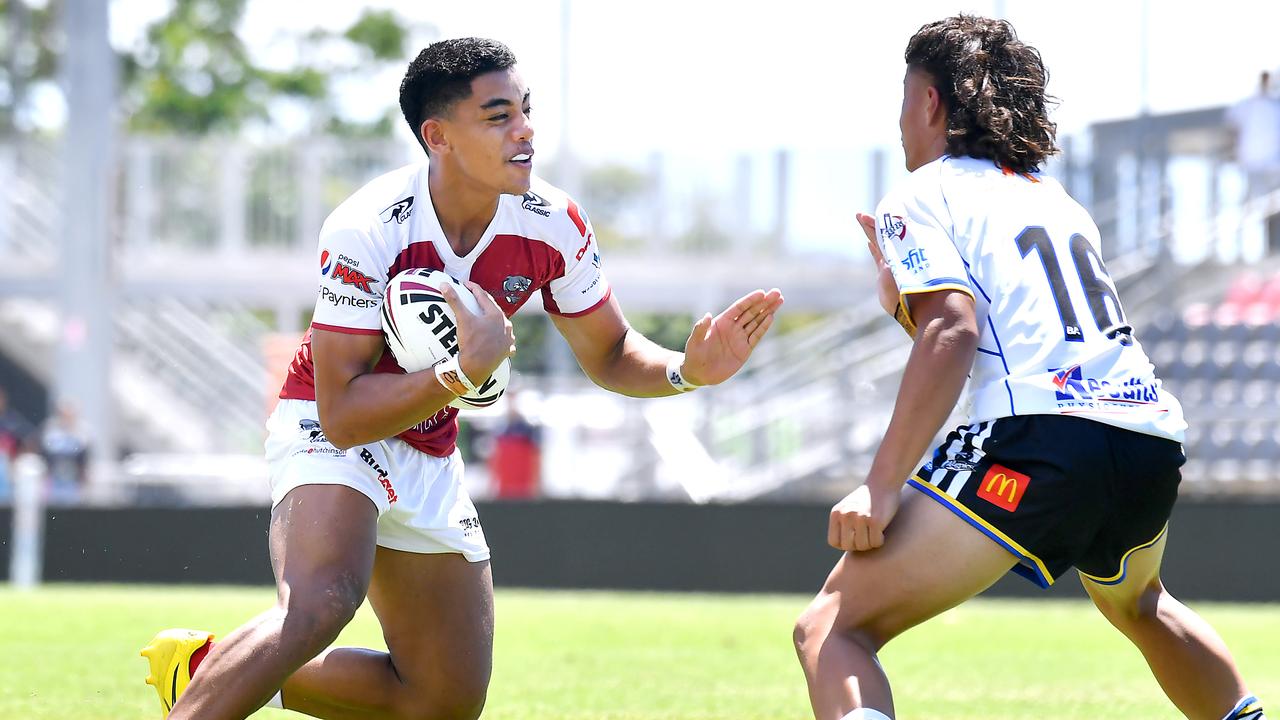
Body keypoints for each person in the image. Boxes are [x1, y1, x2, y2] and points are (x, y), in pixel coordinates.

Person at [141, 38, 784, 720]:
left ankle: (208, 671)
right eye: (499, 115)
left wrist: (689, 370)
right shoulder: (367, 225)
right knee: (322, 603)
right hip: (330, 430)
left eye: (527, 111)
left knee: (442, 700)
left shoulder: (554, 223)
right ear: (438, 136)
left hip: (428, 445)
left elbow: (612, 351)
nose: (526, 130)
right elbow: (343, 414)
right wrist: (457, 372)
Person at [792, 16, 1266, 720]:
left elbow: (953, 330)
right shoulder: (1054, 198)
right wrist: (905, 309)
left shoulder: (922, 194)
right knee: (1140, 604)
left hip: (1039, 441)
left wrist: (880, 485)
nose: (900, 126)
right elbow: (1001, 322)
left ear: (929, 104)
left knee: (832, 628)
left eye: (904, 101)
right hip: (1147, 437)